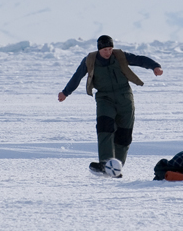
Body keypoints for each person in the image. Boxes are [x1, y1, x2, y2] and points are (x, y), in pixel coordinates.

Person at [58, 35, 163, 175]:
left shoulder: (119, 56)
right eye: (105, 50)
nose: (108, 52)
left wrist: (155, 66)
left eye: (109, 49)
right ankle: (105, 163)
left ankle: (116, 168)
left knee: (124, 134)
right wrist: (65, 92)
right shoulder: (90, 60)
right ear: (99, 49)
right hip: (104, 98)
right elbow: (77, 76)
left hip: (125, 98)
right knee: (104, 127)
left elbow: (139, 59)